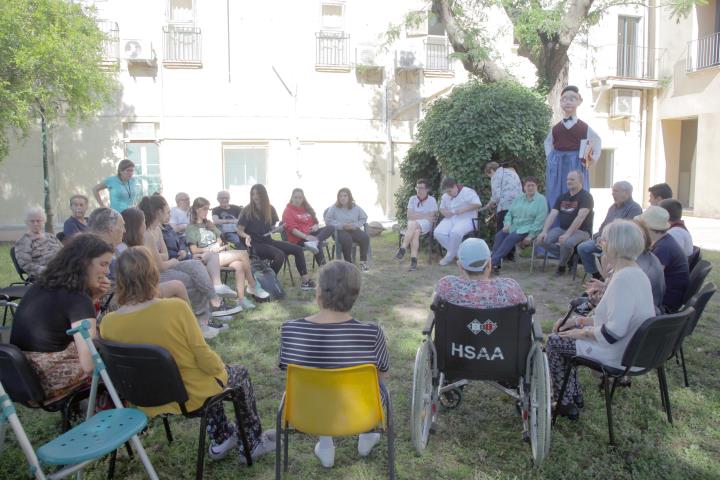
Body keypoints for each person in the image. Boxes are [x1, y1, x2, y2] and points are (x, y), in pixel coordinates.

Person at [100, 247, 276, 464]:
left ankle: (221, 439)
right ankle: (253, 442)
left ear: (120, 280)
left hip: (147, 399)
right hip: (188, 395)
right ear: (153, 274)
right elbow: (203, 356)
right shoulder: (174, 308)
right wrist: (220, 370)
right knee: (231, 373)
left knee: (209, 375)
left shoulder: (108, 323)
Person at [279, 260, 389, 469]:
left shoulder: (290, 330)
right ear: (355, 296)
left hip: (307, 411)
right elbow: (383, 376)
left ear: (318, 291)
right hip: (361, 412)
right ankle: (366, 436)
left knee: (318, 385)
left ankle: (326, 445)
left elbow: (286, 370)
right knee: (377, 385)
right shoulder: (372, 333)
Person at [546, 220, 656, 421]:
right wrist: (577, 322)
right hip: (632, 349)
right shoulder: (636, 273)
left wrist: (579, 333)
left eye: (603, 241)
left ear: (614, 245)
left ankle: (565, 401)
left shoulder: (623, 279)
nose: (601, 244)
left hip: (618, 354)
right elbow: (610, 318)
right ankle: (573, 395)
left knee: (555, 341)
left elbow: (611, 333)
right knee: (563, 334)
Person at [10, 234, 113, 402]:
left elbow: (70, 324)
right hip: (46, 381)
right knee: (114, 354)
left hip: (18, 376)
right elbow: (89, 364)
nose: (107, 271)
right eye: (103, 264)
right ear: (84, 263)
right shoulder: (78, 298)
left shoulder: (43, 284)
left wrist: (93, 297)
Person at [135, 197, 242, 335]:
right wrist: (169, 260)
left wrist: (162, 258)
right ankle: (203, 322)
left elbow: (165, 256)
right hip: (155, 274)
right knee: (190, 279)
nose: (170, 213)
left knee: (196, 264)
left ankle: (214, 296)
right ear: (158, 212)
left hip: (167, 265)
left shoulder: (158, 230)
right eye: (167, 210)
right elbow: (160, 266)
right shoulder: (147, 234)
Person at [89, 207, 190, 309]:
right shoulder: (103, 253)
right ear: (111, 229)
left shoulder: (112, 247)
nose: (124, 230)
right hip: (120, 300)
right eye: (122, 226)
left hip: (127, 294)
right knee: (177, 286)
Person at [186, 197, 271, 302]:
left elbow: (219, 239)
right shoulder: (191, 227)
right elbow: (194, 250)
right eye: (204, 209)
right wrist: (210, 249)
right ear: (196, 209)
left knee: (239, 265)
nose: (206, 212)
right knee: (243, 254)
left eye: (208, 209)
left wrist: (218, 244)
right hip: (207, 258)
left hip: (220, 254)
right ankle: (252, 284)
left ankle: (241, 300)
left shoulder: (208, 223)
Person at [238, 185, 315, 289]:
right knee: (280, 255)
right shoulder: (248, 210)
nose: (255, 196)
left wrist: (278, 229)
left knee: (298, 249)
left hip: (268, 241)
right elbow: (240, 230)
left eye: (258, 194)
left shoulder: (270, 209)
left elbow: (271, 227)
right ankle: (267, 282)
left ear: (264, 195)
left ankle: (305, 282)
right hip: (254, 244)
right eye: (253, 194)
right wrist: (246, 236)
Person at [544, 85, 602, 209]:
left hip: (576, 163)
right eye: (564, 99)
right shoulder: (556, 128)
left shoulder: (584, 127)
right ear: (560, 102)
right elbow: (548, 142)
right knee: (555, 191)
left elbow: (596, 141)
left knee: (576, 191)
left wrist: (593, 159)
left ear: (579, 101)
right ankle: (555, 222)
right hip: (558, 164)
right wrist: (550, 157)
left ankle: (576, 222)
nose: (568, 102)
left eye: (572, 99)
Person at [435, 238, 526, 309]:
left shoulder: (445, 286)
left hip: (456, 333)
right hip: (502, 333)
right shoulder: (510, 288)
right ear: (489, 264)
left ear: (460, 266)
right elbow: (525, 315)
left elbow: (436, 314)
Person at [576, 181, 642, 280]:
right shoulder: (613, 207)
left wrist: (605, 241)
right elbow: (603, 225)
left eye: (615, 191)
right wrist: (598, 236)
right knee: (582, 247)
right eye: (612, 191)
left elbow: (626, 233)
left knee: (605, 254)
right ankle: (596, 274)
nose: (612, 194)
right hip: (603, 240)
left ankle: (609, 278)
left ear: (626, 193)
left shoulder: (634, 208)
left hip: (617, 243)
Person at [537, 170, 594, 275]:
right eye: (567, 179)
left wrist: (567, 234)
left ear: (580, 181)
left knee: (566, 243)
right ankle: (569, 256)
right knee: (541, 240)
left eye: (572, 179)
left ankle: (562, 266)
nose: (569, 181)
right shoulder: (562, 197)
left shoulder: (586, 197)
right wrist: (544, 231)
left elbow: (580, 217)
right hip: (562, 228)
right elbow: (552, 214)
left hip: (582, 231)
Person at [635, 206, 689, 312]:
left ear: (646, 228)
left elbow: (646, 280)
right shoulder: (664, 242)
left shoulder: (663, 248)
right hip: (664, 300)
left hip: (663, 305)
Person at [490, 177, 547, 273]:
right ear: (524, 187)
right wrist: (507, 224)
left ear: (537, 187)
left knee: (511, 238)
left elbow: (540, 221)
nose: (530, 188)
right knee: (499, 235)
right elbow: (509, 214)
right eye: (528, 185)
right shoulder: (518, 198)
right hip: (514, 226)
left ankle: (490, 263)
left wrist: (531, 236)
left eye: (533, 185)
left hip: (528, 228)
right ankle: (495, 265)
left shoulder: (541, 200)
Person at [433, 178, 482, 266]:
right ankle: (462, 254)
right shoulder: (445, 195)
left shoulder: (467, 191)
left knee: (455, 232)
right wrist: (445, 212)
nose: (448, 194)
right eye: (446, 192)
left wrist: (464, 209)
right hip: (451, 218)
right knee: (437, 232)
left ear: (455, 186)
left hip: (467, 218)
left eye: (449, 191)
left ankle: (449, 257)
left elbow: (478, 204)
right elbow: (441, 208)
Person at [282, 188, 334, 266]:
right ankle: (324, 267)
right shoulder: (288, 211)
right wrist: (306, 237)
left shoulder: (307, 208)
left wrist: (315, 226)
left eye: (300, 198)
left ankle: (316, 240)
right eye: (295, 197)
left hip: (312, 234)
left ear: (303, 199)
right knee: (317, 244)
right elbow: (293, 230)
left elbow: (316, 222)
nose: (297, 200)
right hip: (299, 238)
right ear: (292, 198)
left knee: (330, 227)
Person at [394, 179, 438, 271]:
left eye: (421, 188)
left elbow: (432, 217)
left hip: (426, 224)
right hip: (413, 223)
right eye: (417, 188)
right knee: (416, 231)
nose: (418, 190)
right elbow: (409, 215)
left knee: (413, 224)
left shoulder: (432, 200)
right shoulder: (412, 199)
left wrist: (417, 215)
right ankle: (413, 261)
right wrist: (425, 215)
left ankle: (403, 249)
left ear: (427, 189)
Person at [324, 187, 371, 271]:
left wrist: (355, 225)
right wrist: (341, 225)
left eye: (345, 196)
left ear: (349, 197)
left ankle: (363, 263)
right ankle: (348, 264)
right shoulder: (334, 208)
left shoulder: (355, 207)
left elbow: (364, 218)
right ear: (338, 198)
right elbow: (328, 221)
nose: (342, 198)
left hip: (353, 229)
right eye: (340, 196)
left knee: (365, 237)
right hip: (339, 231)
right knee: (347, 239)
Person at [14, 207, 63, 279]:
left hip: (62, 271)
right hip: (44, 276)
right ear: (27, 222)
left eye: (38, 221)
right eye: (32, 221)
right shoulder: (23, 241)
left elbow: (65, 253)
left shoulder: (50, 237)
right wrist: (48, 270)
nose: (35, 224)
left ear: (44, 221)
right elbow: (26, 265)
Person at [481, 160, 523, 234]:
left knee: (502, 233)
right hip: (518, 206)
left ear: (491, 170)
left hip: (505, 207)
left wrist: (487, 206)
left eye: (488, 175)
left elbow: (496, 196)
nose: (489, 177)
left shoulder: (495, 175)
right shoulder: (512, 172)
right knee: (513, 232)